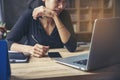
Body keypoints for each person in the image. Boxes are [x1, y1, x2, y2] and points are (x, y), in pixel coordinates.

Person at [6, 0, 77, 58]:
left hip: (58, 65)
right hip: (34, 65)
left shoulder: (64, 15)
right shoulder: (29, 16)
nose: (61, 6)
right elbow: (8, 43)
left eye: (64, 2)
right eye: (58, 1)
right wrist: (30, 49)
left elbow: (72, 47)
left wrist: (54, 16)